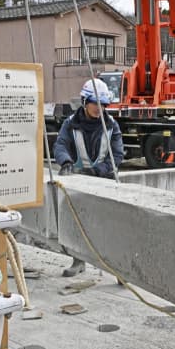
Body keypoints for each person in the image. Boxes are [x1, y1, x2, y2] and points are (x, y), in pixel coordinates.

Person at [54, 78, 124, 277]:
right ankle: (78, 261)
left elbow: (117, 156)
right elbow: (60, 145)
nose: (99, 108)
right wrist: (66, 162)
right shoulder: (70, 124)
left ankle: (118, 270)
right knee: (77, 223)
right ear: (85, 102)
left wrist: (97, 171)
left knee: (112, 226)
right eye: (95, 103)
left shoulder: (112, 126)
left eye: (103, 104)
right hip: (79, 182)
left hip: (104, 180)